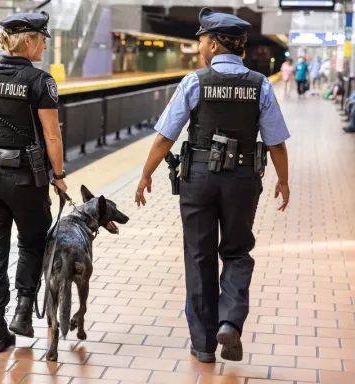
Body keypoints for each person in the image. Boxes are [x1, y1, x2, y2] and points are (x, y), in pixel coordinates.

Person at [135, 7, 290, 364]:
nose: (200, 44)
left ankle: (204, 345)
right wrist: (283, 179)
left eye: (203, 39)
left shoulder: (195, 81)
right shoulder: (259, 84)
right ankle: (231, 323)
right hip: (243, 179)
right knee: (236, 251)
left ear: (217, 44)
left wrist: (146, 174)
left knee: (199, 256)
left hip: (199, 179)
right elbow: (276, 142)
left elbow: (165, 137)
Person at [0, 11, 67, 352]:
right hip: (26, 179)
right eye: (42, 38)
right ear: (28, 41)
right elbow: (52, 136)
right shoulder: (41, 82)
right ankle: (23, 311)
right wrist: (60, 177)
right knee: (32, 242)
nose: (45, 44)